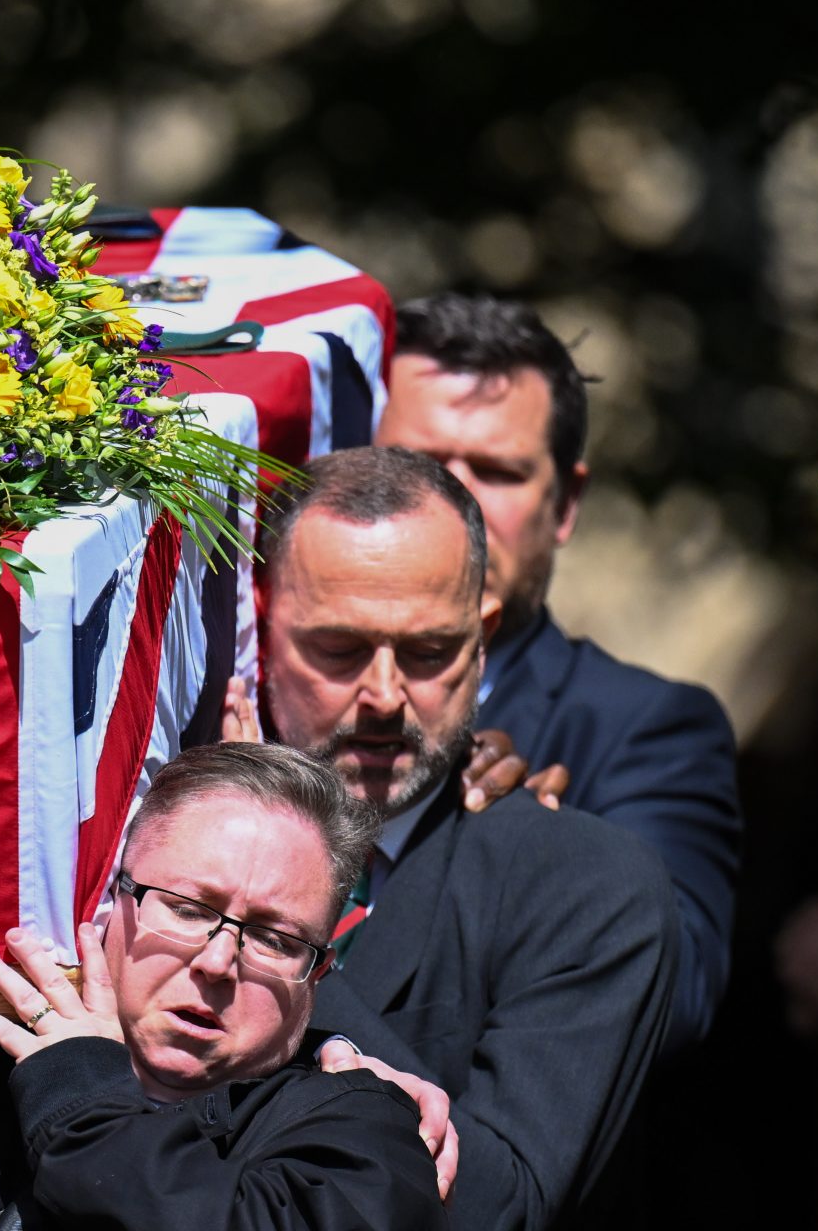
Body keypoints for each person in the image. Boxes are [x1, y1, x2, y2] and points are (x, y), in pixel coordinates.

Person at [253, 446, 677, 1230]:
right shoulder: (153, 847)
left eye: (428, 653)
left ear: (483, 639)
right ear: (260, 629)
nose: (383, 696)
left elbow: (496, 1200)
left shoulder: (586, 888)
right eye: (339, 651)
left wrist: (265, 928)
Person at [0, 741, 447, 1230]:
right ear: (110, 904)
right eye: (186, 908)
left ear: (316, 975)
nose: (216, 962)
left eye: (274, 939)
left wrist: (86, 1089)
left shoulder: (366, 1136)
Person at [373, 293, 740, 1053]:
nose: (457, 500)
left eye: (498, 471)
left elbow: (677, 999)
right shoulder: (264, 688)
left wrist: (533, 856)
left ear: (566, 503)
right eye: (418, 464)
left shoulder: (649, 729)